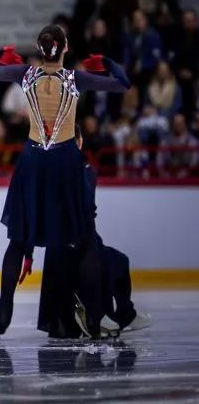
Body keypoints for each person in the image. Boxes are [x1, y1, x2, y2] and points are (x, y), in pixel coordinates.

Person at [0, 26, 130, 338]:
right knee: (82, 240)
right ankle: (95, 316)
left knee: (18, 240)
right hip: (64, 160)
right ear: (65, 47)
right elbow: (122, 84)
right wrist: (107, 63)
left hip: (32, 161)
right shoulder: (75, 79)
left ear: (40, 48)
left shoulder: (25, 74)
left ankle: (5, 306)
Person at [36, 125, 151, 338]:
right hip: (72, 245)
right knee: (107, 262)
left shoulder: (75, 169)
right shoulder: (79, 171)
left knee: (118, 260)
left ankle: (124, 313)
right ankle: (98, 315)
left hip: (79, 241)